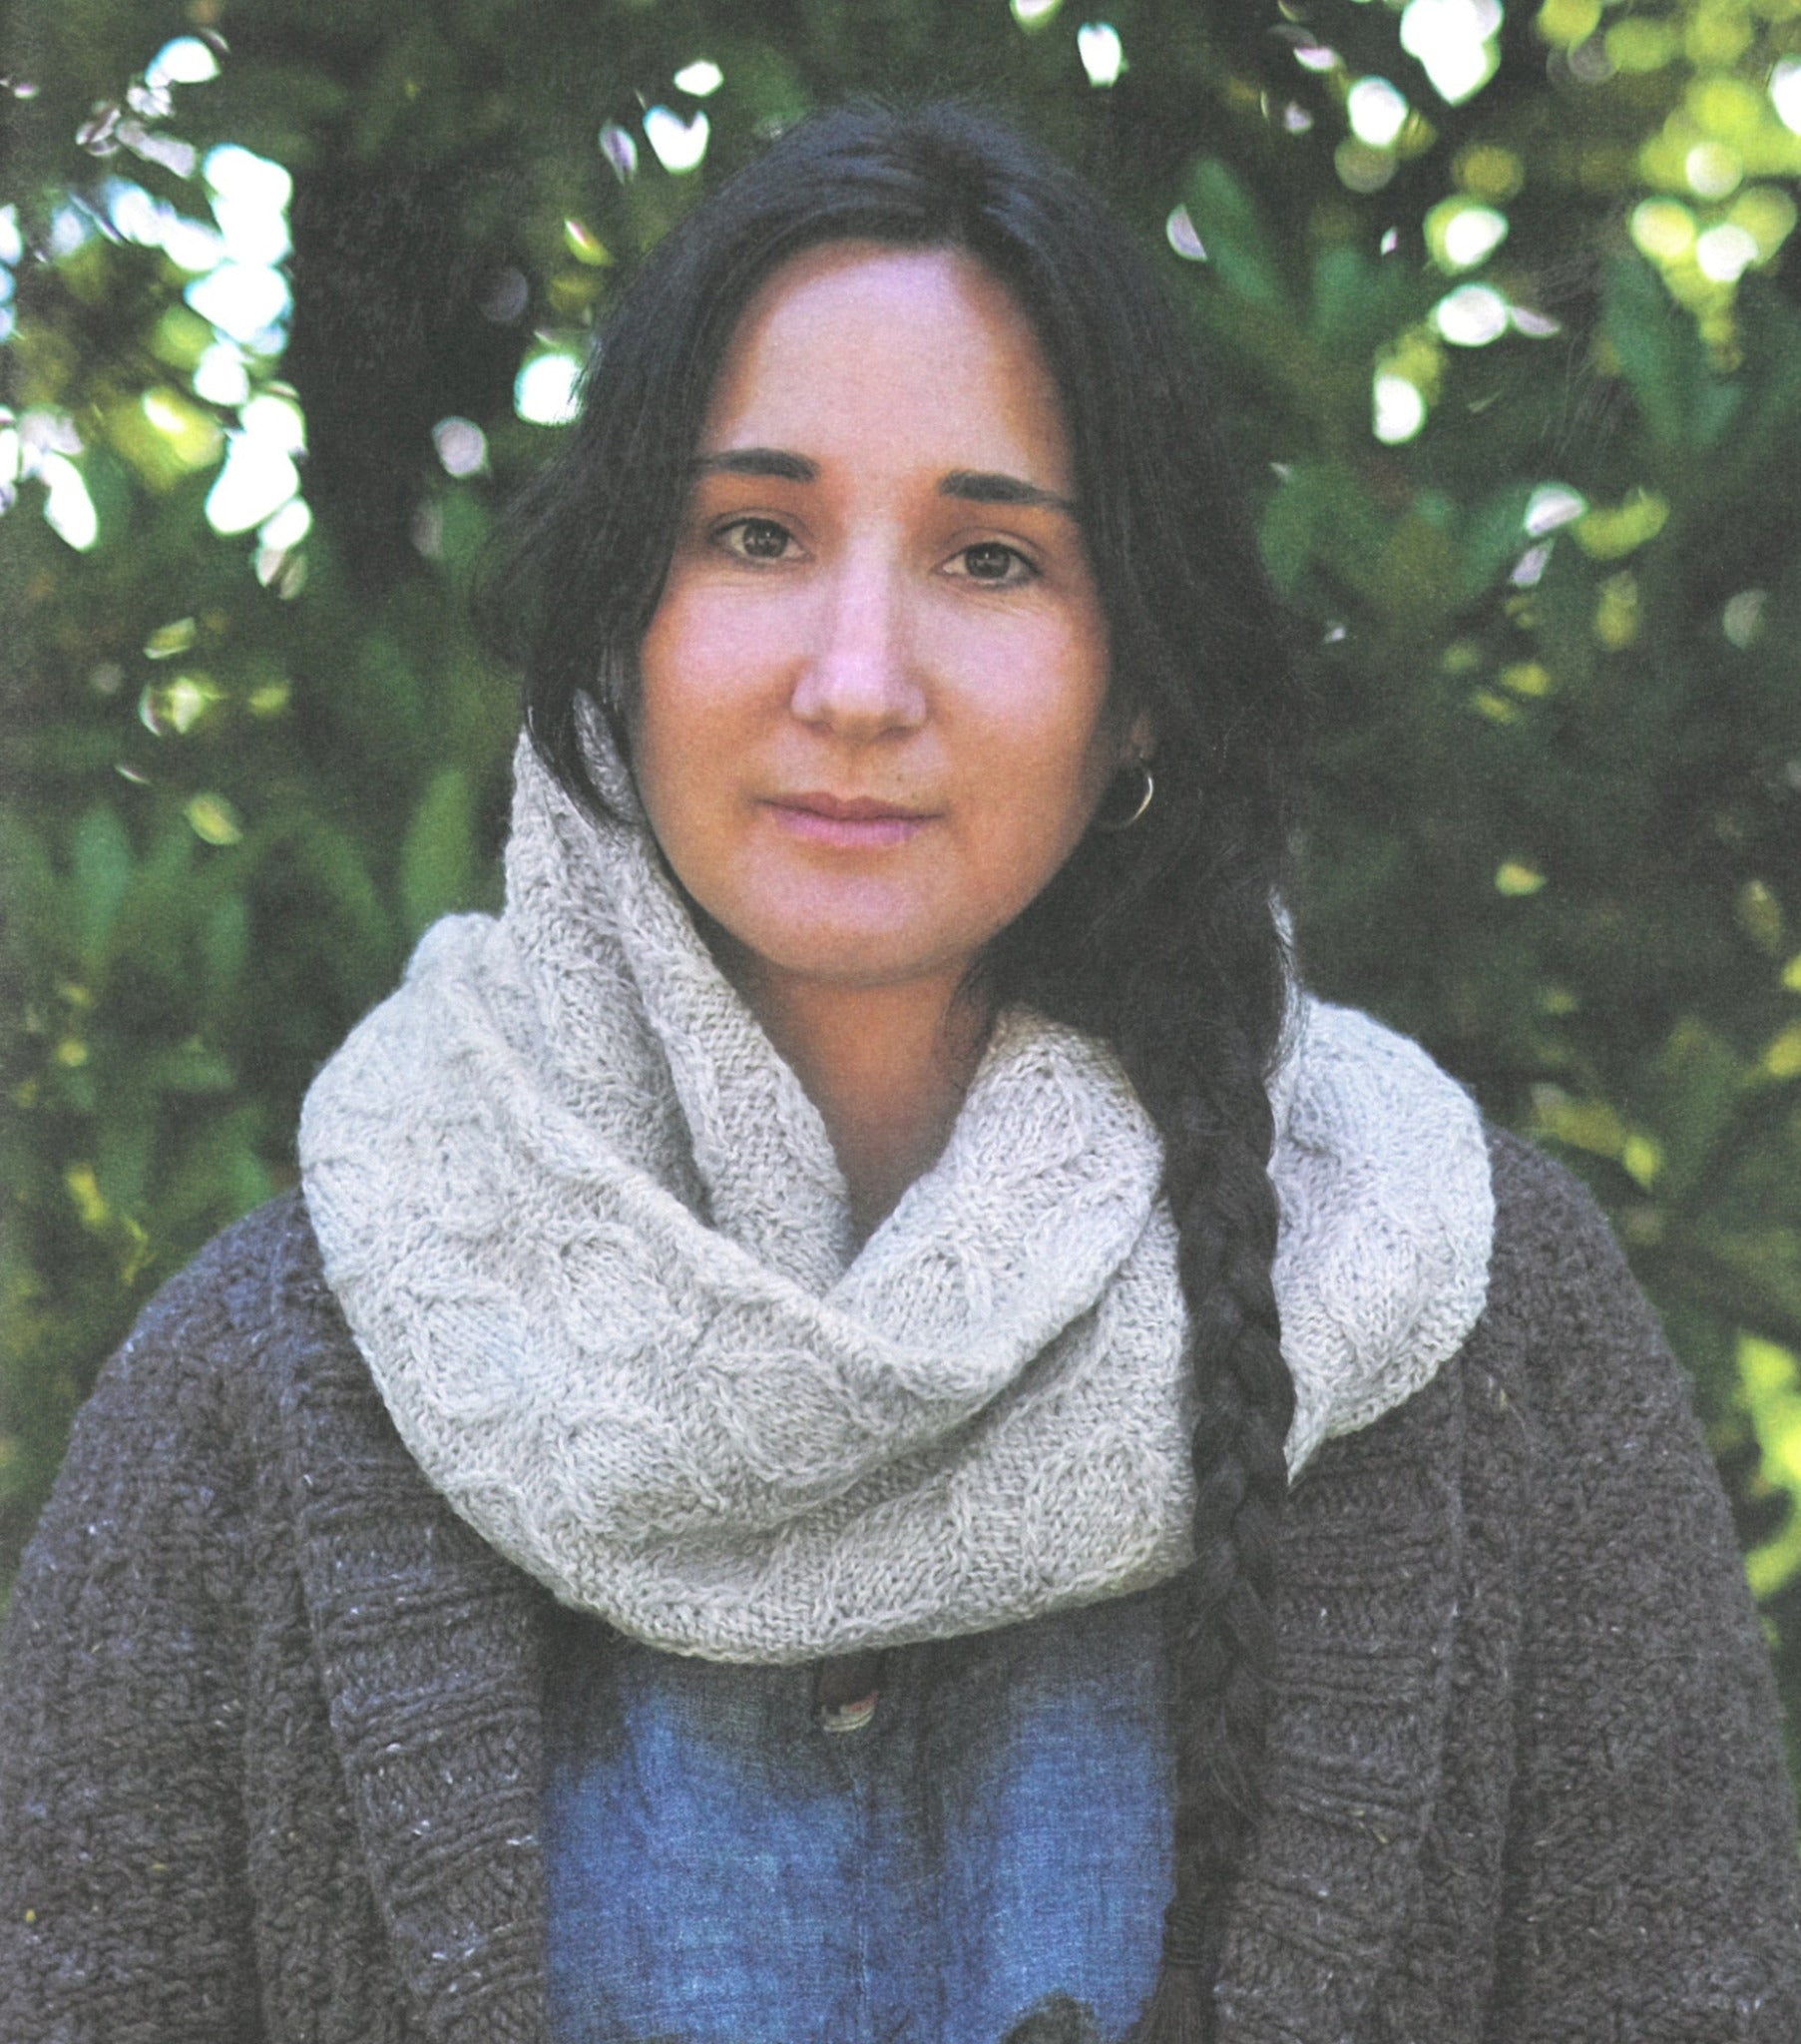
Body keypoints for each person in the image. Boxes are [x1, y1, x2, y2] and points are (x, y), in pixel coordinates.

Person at [1, 100, 1797, 2044]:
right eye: (755, 533)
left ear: (1140, 696)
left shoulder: (1478, 1326)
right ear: (618, 626)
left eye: (993, 555)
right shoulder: (250, 1411)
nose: (856, 679)